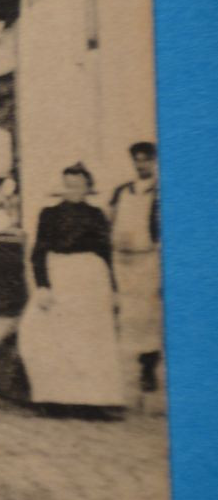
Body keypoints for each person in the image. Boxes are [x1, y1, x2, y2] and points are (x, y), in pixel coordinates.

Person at [17, 163, 124, 418]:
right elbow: (38, 253)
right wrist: (43, 286)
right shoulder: (49, 214)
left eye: (79, 185)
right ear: (62, 186)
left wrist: (114, 288)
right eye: (69, 184)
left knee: (91, 340)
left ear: (88, 187)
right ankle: (54, 399)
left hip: (91, 280)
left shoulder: (96, 215)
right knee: (47, 336)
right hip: (60, 274)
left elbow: (106, 253)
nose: (73, 190)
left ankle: (93, 403)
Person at [110, 141, 163, 392]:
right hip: (122, 260)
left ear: (154, 162)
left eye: (146, 159)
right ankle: (118, 372)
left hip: (147, 260)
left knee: (148, 316)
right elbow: (110, 221)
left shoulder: (162, 192)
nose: (141, 164)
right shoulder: (122, 191)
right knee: (126, 314)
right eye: (137, 159)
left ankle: (148, 368)